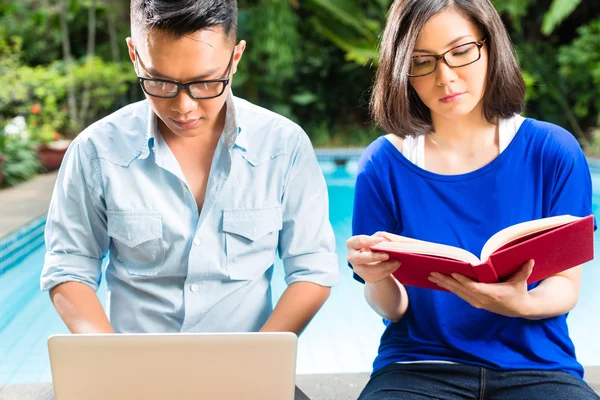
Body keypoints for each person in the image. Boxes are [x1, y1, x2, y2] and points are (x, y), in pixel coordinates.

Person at [40, 0, 339, 340]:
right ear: (134, 55)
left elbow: (312, 268)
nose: (184, 107)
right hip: (136, 373)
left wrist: (258, 360)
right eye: (160, 82)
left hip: (244, 373)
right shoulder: (96, 151)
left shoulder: (283, 147)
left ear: (235, 59)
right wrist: (110, 361)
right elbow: (69, 266)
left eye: (206, 83)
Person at [346, 0, 599, 399]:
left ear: (490, 46)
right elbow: (393, 308)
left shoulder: (553, 150)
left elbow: (566, 286)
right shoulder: (383, 164)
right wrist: (377, 278)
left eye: (461, 52)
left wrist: (520, 304)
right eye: (422, 61)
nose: (445, 78)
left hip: (537, 370)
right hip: (418, 367)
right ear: (402, 71)